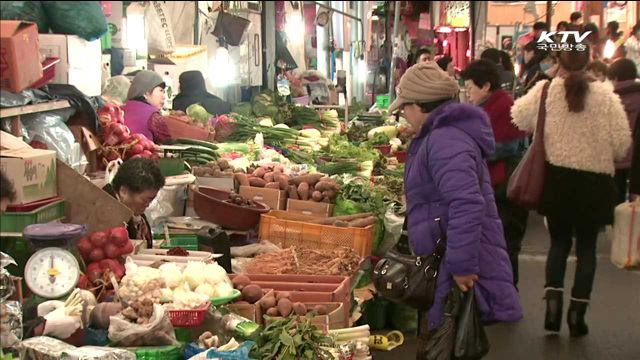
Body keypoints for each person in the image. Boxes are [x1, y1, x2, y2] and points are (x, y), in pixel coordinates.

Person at [389, 62, 522, 356]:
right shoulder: (440, 135)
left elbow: (466, 203)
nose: (404, 114)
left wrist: (462, 267)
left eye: (405, 107)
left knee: (445, 341)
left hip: (451, 260)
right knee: (441, 338)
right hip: (443, 254)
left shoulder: (445, 139)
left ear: (421, 105)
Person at [511, 42, 631, 337]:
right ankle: (577, 313)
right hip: (595, 182)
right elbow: (621, 143)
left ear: (560, 61)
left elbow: (518, 116)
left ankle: (552, 305)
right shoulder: (605, 95)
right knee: (587, 247)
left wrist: (548, 79)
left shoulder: (546, 90)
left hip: (558, 180)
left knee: (559, 243)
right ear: (590, 62)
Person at [461, 59, 529, 288]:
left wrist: (473, 151)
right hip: (494, 184)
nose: (467, 93)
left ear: (486, 86)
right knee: (495, 243)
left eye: (470, 88)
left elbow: (509, 145)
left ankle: (508, 290)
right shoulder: (488, 106)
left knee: (506, 243)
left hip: (505, 187)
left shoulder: (504, 106)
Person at [102, 157, 165, 248]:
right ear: (124, 191)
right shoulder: (105, 215)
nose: (148, 205)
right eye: (146, 199)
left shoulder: (135, 216)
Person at [608, 58, 640, 204]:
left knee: (617, 199)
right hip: (637, 157)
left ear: (615, 77)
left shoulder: (611, 99)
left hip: (618, 156)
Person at [122, 70, 171, 144]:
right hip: (144, 154)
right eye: (161, 91)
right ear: (146, 93)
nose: (163, 96)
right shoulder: (153, 115)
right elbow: (167, 145)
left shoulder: (120, 109)